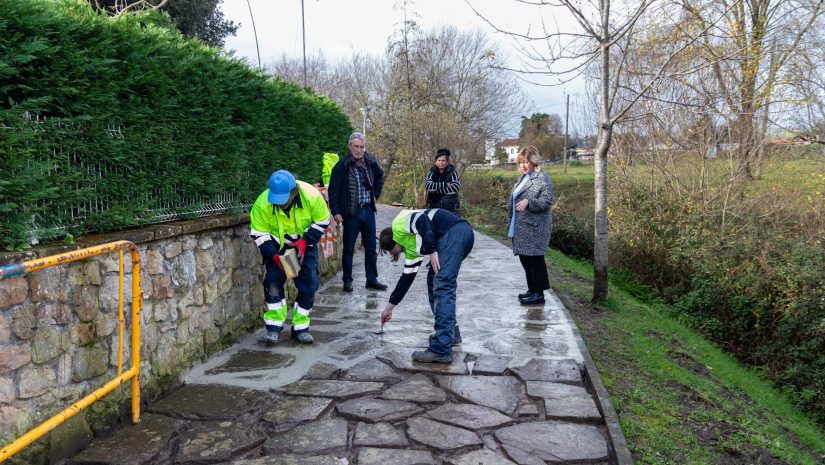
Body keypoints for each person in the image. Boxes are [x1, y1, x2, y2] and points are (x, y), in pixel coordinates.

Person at [379, 208, 475, 364]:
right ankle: (450, 334)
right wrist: (388, 308)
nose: (393, 254)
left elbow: (421, 219)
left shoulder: (398, 224)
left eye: (391, 251)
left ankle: (441, 349)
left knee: (443, 287)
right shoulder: (410, 248)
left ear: (393, 243)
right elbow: (405, 280)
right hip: (458, 234)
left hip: (453, 233)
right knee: (433, 281)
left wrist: (431, 250)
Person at [249, 170, 331, 344]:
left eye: (284, 199)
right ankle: (273, 329)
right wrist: (275, 257)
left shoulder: (311, 196)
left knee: (308, 285)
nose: (280, 204)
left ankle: (300, 328)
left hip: (304, 246)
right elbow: (259, 234)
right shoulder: (262, 204)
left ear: (294, 192)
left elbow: (323, 220)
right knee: (272, 282)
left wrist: (303, 243)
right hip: (278, 248)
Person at [328, 132, 387, 292]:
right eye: (356, 146)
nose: (359, 150)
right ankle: (347, 281)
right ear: (350, 146)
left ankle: (372, 279)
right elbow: (333, 190)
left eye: (361, 147)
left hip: (368, 211)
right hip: (351, 213)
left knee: (370, 248)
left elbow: (380, 177)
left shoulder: (371, 162)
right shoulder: (341, 166)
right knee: (348, 248)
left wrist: (376, 194)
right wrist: (336, 211)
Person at [507, 146, 554, 305]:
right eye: (520, 162)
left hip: (535, 228)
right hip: (522, 227)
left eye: (526, 162)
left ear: (533, 162)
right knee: (525, 260)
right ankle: (532, 289)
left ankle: (539, 294)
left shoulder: (542, 178)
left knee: (535, 261)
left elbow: (547, 202)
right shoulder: (522, 178)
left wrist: (529, 202)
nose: (523, 165)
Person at [424, 148, 461, 216]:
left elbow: (456, 187)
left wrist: (435, 190)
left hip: (451, 209)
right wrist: (445, 184)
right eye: (439, 160)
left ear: (447, 162)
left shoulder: (452, 172)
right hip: (433, 207)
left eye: (443, 161)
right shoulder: (432, 172)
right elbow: (428, 186)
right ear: (436, 162)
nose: (441, 162)